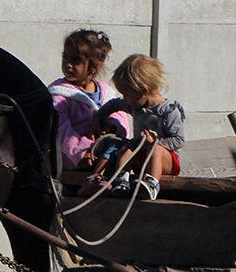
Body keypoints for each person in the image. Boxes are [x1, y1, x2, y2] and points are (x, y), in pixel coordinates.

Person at [85, 54, 185, 200]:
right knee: (126, 148)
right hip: (142, 157)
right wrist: (97, 118)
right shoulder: (136, 105)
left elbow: (179, 141)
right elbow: (113, 104)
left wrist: (155, 142)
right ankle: (122, 179)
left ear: (143, 91)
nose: (124, 98)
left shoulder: (169, 111)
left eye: (126, 94)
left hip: (165, 162)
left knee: (155, 150)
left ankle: (152, 184)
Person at [48, 30, 130, 171]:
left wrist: (113, 127)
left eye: (76, 60)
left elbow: (120, 117)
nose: (68, 64)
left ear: (94, 66)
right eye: (65, 57)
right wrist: (81, 152)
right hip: (75, 162)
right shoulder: (59, 95)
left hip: (106, 154)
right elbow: (61, 131)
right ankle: (96, 178)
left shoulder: (106, 92)